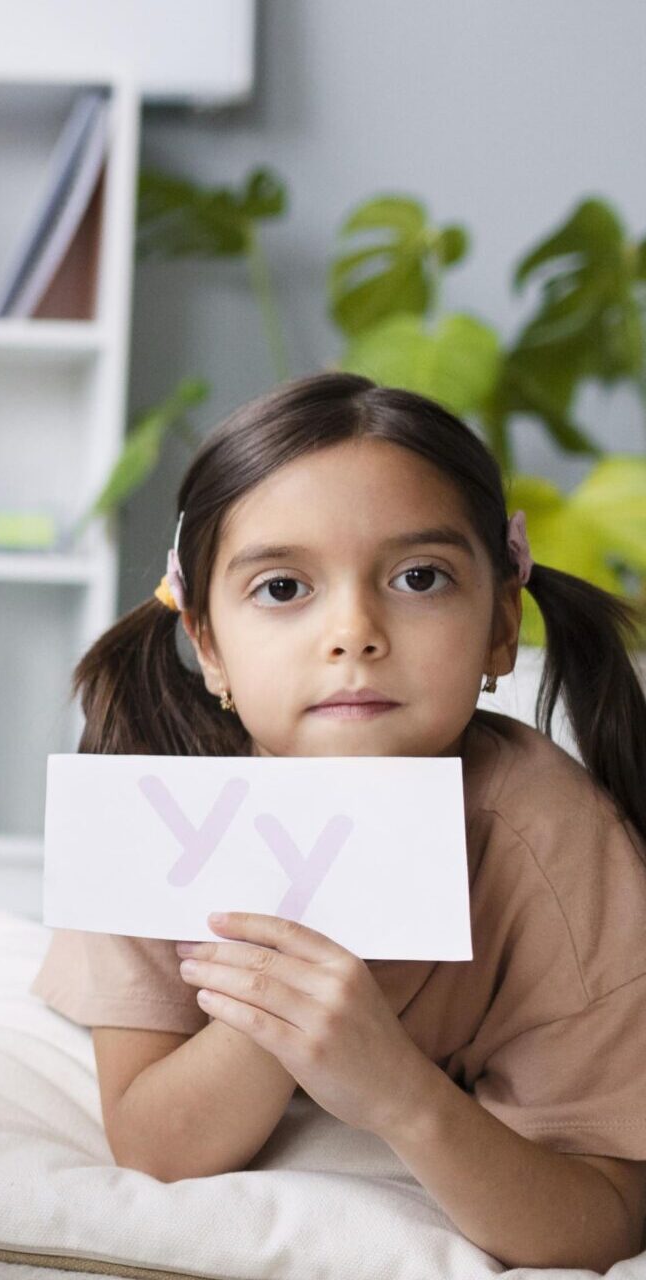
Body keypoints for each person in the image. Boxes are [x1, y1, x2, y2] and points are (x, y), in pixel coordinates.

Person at [37, 372, 646, 1271]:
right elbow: (157, 1149)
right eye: (283, 588)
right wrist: (282, 1011)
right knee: (7, 980)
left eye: (418, 577)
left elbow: (603, 1217)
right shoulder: (149, 815)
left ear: (499, 625)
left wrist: (394, 1089)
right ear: (209, 646)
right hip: (143, 979)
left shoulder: (553, 840)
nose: (354, 632)